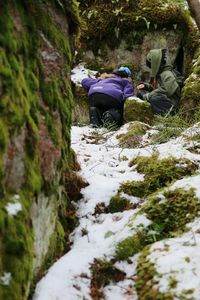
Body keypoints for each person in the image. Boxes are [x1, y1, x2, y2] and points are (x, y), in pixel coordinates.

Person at [136, 48, 180, 115]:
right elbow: (157, 88)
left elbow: (167, 90)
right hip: (164, 100)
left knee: (155, 99)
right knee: (143, 93)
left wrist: (147, 96)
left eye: (151, 65)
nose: (151, 68)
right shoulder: (160, 74)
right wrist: (146, 86)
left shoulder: (167, 74)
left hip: (171, 104)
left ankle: (167, 116)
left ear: (155, 63)